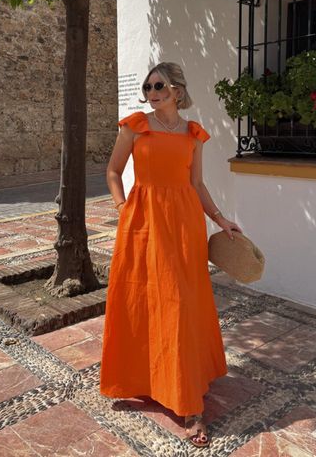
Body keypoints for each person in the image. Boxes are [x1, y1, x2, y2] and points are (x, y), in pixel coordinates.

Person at [100, 62, 242, 448]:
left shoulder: (193, 134)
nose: (152, 91)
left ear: (177, 90)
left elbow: (195, 183)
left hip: (183, 226)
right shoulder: (134, 126)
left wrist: (220, 219)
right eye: (147, 86)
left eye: (159, 84)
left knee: (180, 305)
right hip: (142, 223)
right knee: (142, 300)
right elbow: (113, 171)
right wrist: (122, 208)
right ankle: (144, 381)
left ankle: (188, 400)